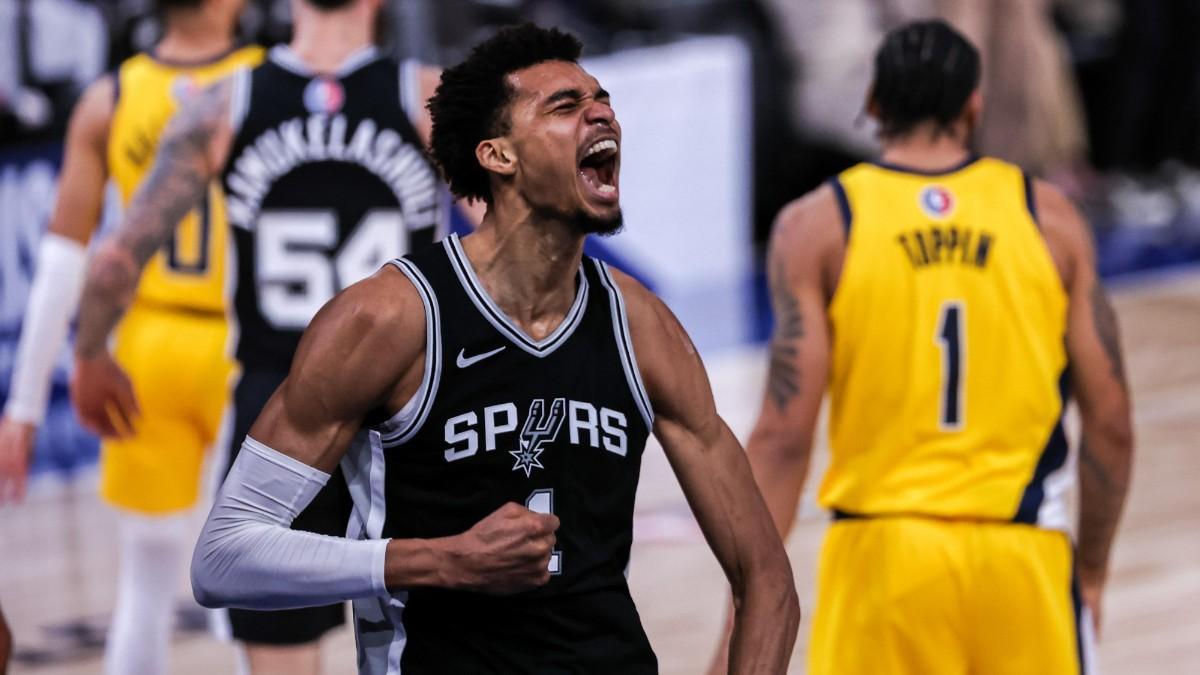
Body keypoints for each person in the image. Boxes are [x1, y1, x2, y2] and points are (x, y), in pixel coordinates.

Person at [76, 22, 800, 673]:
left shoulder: (642, 327)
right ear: (498, 155)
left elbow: (768, 578)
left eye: (601, 99)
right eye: (564, 106)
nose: (600, 112)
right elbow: (223, 557)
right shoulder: (385, 320)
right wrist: (441, 562)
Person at [738, 19, 1133, 675]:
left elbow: (782, 436)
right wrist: (1089, 569)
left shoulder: (817, 225)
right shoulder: (1050, 219)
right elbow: (1112, 422)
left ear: (874, 108)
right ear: (973, 106)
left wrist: (743, 606)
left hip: (883, 557)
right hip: (1023, 552)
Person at [70, 0, 455, 672]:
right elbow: (510, 246)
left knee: (280, 654)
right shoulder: (429, 98)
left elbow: (112, 263)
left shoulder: (222, 106)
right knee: (440, 644)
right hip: (409, 415)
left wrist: (91, 352)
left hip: (280, 423)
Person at [0, 2, 260, 673]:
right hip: (250, 347)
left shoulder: (108, 98)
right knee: (254, 589)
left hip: (148, 343)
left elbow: (63, 260)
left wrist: (24, 405)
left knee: (143, 587)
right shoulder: (269, 83)